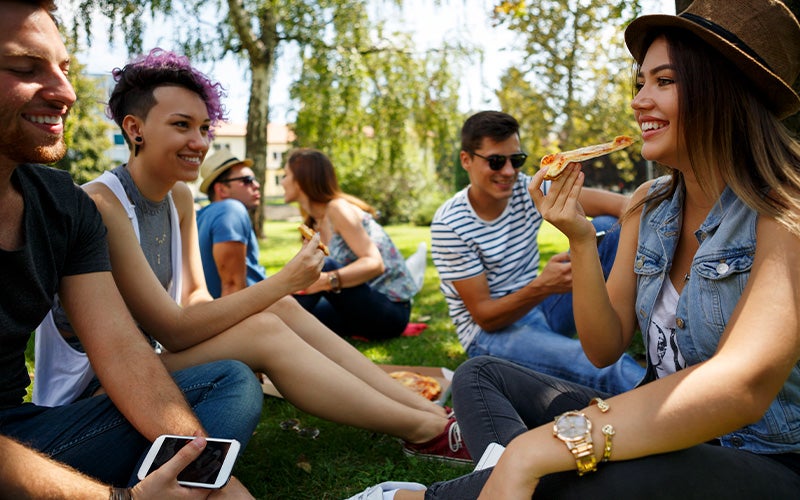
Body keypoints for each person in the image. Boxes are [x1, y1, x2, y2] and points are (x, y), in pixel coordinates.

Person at [348, 0, 800, 497]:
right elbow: (603, 348)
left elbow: (743, 387)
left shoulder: (785, 212)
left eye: (664, 82)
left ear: (726, 90)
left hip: (760, 456)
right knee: (479, 377)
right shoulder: (649, 205)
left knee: (579, 469)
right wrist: (582, 240)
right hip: (663, 427)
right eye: (640, 83)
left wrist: (539, 449)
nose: (638, 101)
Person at [33, 48, 470, 463]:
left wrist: (277, 294)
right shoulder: (104, 204)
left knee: (278, 308)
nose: (199, 142)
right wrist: (284, 281)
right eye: (182, 125)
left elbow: (196, 300)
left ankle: (419, 407)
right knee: (266, 326)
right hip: (89, 395)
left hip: (143, 369)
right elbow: (174, 329)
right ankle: (422, 430)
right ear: (135, 129)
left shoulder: (179, 198)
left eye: (204, 128)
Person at [0, 0, 261, 495]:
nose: (65, 93)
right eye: (24, 69)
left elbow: (122, 350)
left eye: (64, 69)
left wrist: (196, 469)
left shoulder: (60, 203)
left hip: (24, 428)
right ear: (135, 132)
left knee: (230, 381)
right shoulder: (102, 199)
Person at [431, 111, 644, 395]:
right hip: (492, 334)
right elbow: (485, 317)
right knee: (602, 368)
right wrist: (543, 286)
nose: (508, 172)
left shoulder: (527, 189)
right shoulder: (450, 223)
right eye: (496, 161)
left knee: (609, 229)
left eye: (516, 160)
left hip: (541, 306)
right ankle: (673, 402)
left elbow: (627, 206)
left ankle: (636, 322)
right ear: (466, 160)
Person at [283, 148, 419, 340]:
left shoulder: (337, 209)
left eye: (285, 175)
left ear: (301, 179)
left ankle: (263, 335)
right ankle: (266, 329)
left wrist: (327, 280)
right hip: (353, 307)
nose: (282, 182)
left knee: (322, 266)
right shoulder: (312, 224)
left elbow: (374, 263)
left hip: (391, 311)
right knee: (301, 321)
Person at [196, 147, 266, 298]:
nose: (256, 185)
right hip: (257, 309)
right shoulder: (229, 211)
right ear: (222, 189)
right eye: (247, 181)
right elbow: (233, 288)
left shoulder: (201, 217)